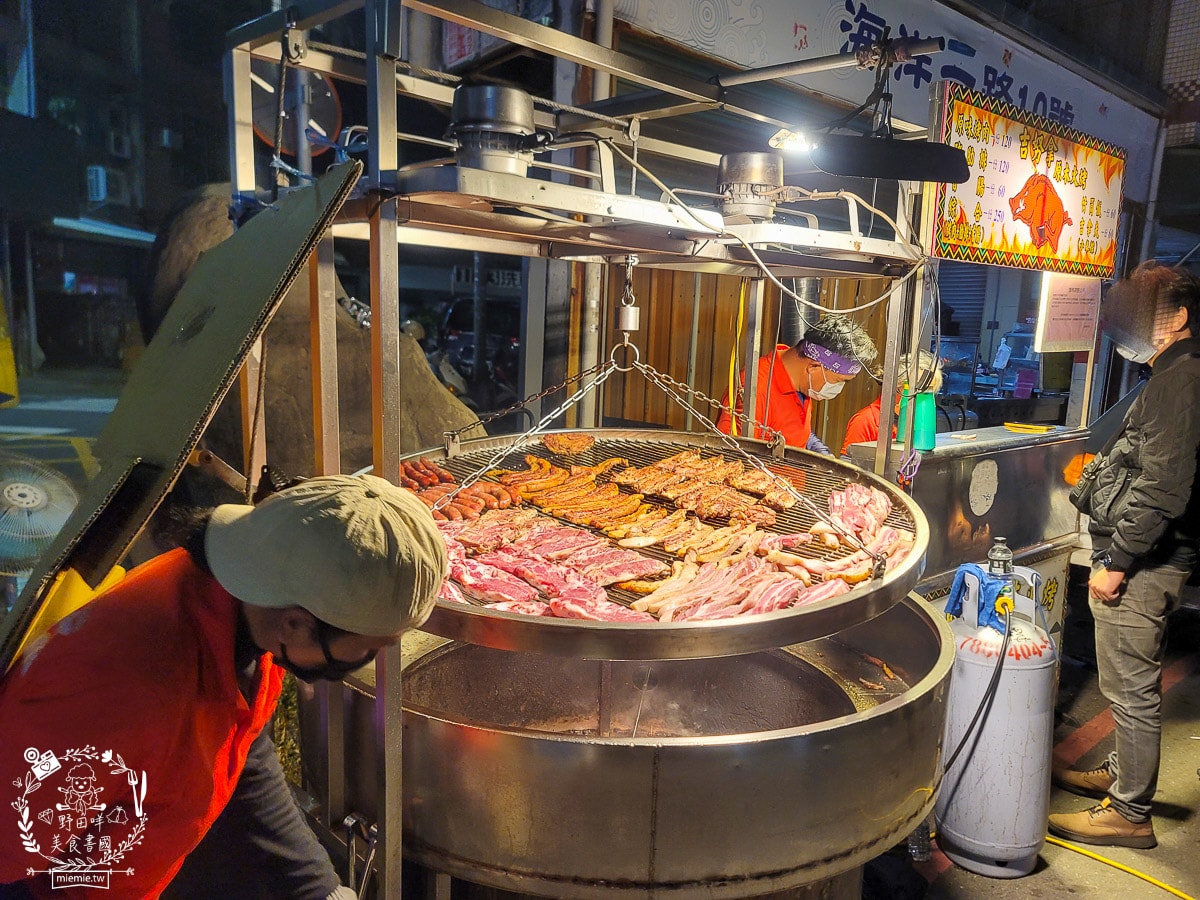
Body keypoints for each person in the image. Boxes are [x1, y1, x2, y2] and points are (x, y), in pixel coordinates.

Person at [0, 474, 447, 898]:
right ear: (296, 623)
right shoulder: (124, 696)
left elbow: (241, 751)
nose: (377, 657)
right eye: (371, 647)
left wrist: (318, 889)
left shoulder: (244, 610)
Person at [1048, 266, 1200, 849]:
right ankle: (1122, 775)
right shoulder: (1173, 376)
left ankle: (1130, 813)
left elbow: (1163, 488)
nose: (1124, 320)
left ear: (1178, 318)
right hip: (1150, 556)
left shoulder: (1180, 381)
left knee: (1131, 688)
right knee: (1127, 684)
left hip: (1145, 562)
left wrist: (1116, 563)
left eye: (1142, 309)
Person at [716, 316, 878, 454]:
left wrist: (816, 448)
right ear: (813, 367)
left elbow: (789, 429)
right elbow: (729, 456)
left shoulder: (803, 384)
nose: (839, 388)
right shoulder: (754, 389)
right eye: (839, 381)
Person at [840, 350, 943, 456]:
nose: (924, 399)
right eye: (921, 392)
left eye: (930, 393)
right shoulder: (865, 421)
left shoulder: (921, 426)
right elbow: (848, 465)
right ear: (898, 386)